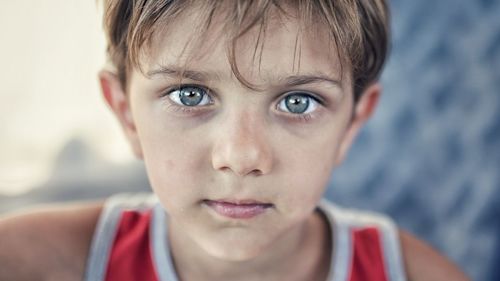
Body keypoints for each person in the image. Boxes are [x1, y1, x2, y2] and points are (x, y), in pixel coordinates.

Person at [0, 0, 470, 280]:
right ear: (125, 112)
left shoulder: (410, 274)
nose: (242, 157)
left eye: (298, 102)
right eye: (190, 94)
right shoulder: (38, 263)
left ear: (352, 123)